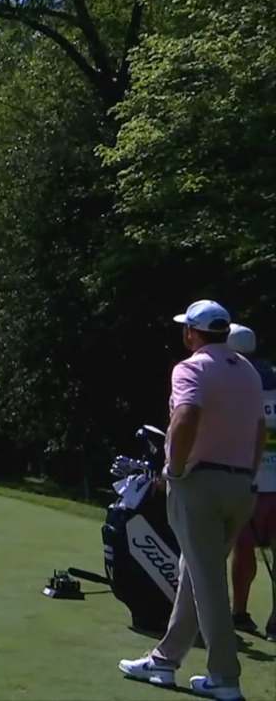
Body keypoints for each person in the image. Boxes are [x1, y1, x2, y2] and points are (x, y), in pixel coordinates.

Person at [121, 300, 267, 700]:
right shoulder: (249, 373)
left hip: (199, 484)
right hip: (241, 487)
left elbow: (185, 417)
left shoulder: (191, 367)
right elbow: (259, 432)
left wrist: (175, 469)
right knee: (194, 571)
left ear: (191, 333)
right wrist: (249, 476)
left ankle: (225, 677)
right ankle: (165, 660)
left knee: (207, 583)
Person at [227, 323, 276, 640]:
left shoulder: (233, 379)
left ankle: (239, 614)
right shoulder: (271, 374)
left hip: (248, 479)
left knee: (242, 548)